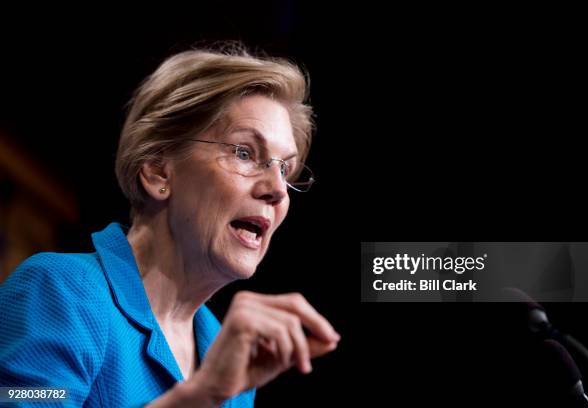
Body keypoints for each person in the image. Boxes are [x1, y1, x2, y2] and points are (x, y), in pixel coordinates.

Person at [0, 44, 340, 407]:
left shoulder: (229, 363)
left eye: (284, 169)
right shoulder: (61, 292)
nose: (276, 190)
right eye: (244, 153)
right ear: (158, 170)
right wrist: (200, 395)